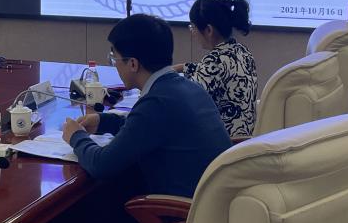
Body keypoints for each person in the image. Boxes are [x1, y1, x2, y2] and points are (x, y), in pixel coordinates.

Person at [62, 14, 231, 198]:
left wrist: (76, 136)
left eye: (114, 58)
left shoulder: (157, 102)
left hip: (181, 210)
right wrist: (103, 121)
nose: (114, 65)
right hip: (212, 202)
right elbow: (146, 128)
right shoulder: (188, 88)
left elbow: (101, 165)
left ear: (133, 64)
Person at [176, 0, 258, 138]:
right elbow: (213, 72)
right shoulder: (243, 52)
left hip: (222, 142)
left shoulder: (215, 59)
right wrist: (183, 67)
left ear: (209, 30)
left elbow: (187, 100)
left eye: (193, 27)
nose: (193, 33)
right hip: (245, 139)